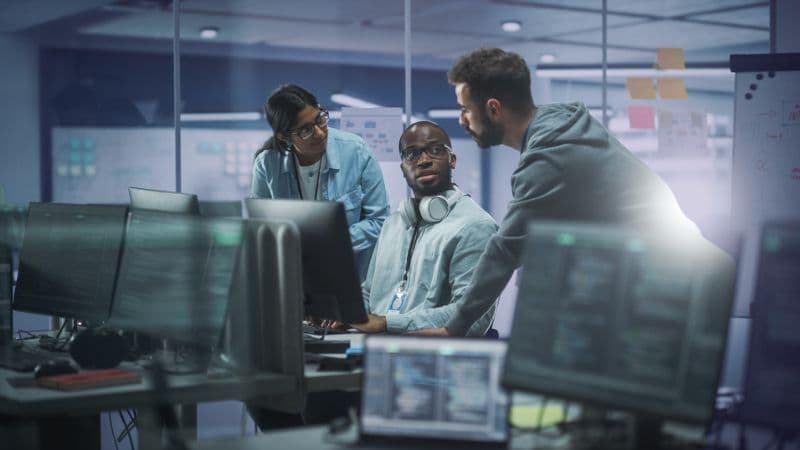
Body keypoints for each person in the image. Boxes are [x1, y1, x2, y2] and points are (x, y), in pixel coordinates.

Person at [420, 47, 697, 337]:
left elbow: (505, 250)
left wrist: (453, 328)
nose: (462, 120)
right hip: (662, 279)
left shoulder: (550, 157)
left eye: (465, 109)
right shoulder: (561, 127)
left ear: (493, 109)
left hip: (666, 292)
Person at [349, 121, 498, 336]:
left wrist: (386, 323)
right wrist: (348, 315)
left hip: (428, 355)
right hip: (375, 346)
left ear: (452, 160)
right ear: (403, 168)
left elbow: (473, 318)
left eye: (436, 151)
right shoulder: (394, 224)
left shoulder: (476, 226)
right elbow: (369, 292)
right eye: (412, 154)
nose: (424, 160)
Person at [250, 84, 389, 280]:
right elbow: (261, 230)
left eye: (320, 119)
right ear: (284, 136)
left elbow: (379, 221)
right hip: (295, 280)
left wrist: (327, 244)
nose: (320, 132)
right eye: (305, 130)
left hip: (353, 279)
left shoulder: (356, 151)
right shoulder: (267, 165)